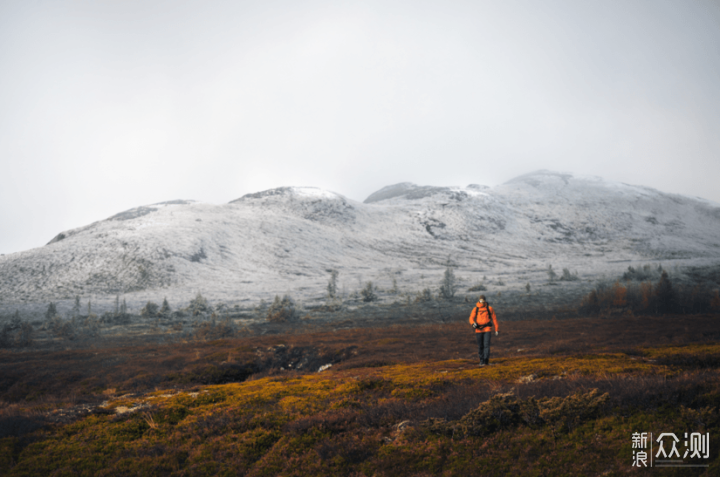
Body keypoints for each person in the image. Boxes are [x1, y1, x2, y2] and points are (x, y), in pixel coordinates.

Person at [468, 295, 499, 366]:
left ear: (485, 300)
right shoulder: (475, 309)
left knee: (486, 345)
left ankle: (485, 361)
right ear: (479, 300)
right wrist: (473, 324)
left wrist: (496, 329)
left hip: (487, 329)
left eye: (483, 300)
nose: (482, 301)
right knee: (480, 346)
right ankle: (481, 361)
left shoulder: (490, 308)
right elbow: (471, 318)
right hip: (478, 330)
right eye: (481, 300)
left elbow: (494, 319)